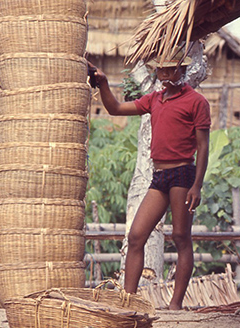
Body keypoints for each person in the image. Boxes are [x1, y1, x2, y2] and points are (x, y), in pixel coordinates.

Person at [90, 51, 211, 310]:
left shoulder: (196, 101)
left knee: (180, 237)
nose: (165, 75)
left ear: (182, 71)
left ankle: (175, 304)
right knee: (136, 237)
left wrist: (197, 185)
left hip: (182, 175)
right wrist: (103, 84)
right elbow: (115, 108)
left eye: (171, 70)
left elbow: (203, 146)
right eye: (161, 70)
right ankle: (128, 301)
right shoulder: (154, 100)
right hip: (159, 177)